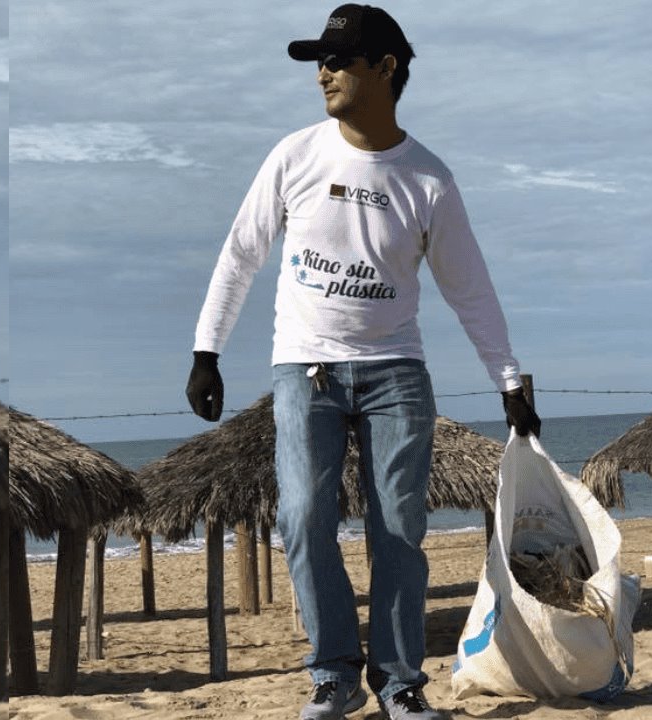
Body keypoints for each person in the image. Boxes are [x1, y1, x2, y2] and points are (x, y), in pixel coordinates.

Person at [184, 6, 540, 719]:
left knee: (399, 528)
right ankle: (334, 675)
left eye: (341, 60)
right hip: (303, 369)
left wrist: (508, 380)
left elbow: (469, 288)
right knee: (305, 513)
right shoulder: (294, 155)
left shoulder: (428, 178)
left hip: (395, 372)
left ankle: (401, 682)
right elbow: (240, 254)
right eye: (321, 61)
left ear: (386, 68)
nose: (324, 73)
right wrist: (206, 351)